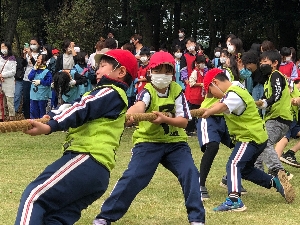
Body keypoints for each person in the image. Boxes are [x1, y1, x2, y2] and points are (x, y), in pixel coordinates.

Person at [14, 49, 138, 225]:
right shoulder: (109, 97)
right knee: (55, 218)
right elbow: (72, 106)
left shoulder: (110, 91)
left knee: (34, 196)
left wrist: (50, 126)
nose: (98, 70)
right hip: (98, 174)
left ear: (121, 72)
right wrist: (51, 116)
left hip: (87, 158)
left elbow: (82, 108)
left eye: (103, 66)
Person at [93, 51, 205, 225]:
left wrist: (165, 119)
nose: (163, 75)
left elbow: (183, 122)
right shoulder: (147, 90)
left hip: (175, 144)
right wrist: (128, 116)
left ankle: (197, 219)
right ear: (150, 72)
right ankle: (104, 217)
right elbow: (139, 106)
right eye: (159, 70)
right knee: (133, 177)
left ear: (173, 74)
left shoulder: (177, 91)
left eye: (168, 71)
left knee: (190, 172)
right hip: (148, 143)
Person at [201, 68, 295, 212]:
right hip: (258, 137)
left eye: (210, 91)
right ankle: (276, 183)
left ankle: (234, 199)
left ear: (215, 83)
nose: (211, 95)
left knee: (233, 164)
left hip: (250, 137)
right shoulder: (237, 86)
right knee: (245, 169)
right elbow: (222, 103)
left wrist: (208, 111)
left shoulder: (233, 93)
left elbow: (223, 105)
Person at [254, 50, 293, 178]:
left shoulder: (276, 75)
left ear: (275, 63)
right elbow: (265, 98)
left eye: (265, 62)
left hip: (279, 117)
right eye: (261, 62)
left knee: (265, 142)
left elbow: (276, 94)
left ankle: (279, 171)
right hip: (273, 118)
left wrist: (266, 103)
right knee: (260, 141)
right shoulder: (268, 80)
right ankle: (258, 169)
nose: (262, 64)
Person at [185, 55, 207, 136]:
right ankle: (189, 130)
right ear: (196, 63)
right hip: (194, 96)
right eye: (201, 63)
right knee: (192, 114)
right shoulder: (195, 72)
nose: (202, 64)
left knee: (198, 114)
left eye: (203, 63)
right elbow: (191, 83)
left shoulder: (202, 72)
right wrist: (201, 84)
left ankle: (196, 129)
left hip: (199, 96)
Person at [28, 54, 52, 119]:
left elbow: (49, 82)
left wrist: (41, 82)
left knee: (42, 113)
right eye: (37, 58)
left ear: (44, 61)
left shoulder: (47, 72)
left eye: (40, 58)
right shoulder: (35, 70)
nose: (38, 60)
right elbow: (30, 77)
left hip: (42, 96)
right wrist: (34, 69)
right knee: (33, 112)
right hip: (34, 96)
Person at [23, 37, 41, 119]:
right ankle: (27, 117)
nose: (32, 46)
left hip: (36, 78)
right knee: (26, 98)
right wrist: (24, 55)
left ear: (38, 45)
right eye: (31, 44)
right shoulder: (27, 53)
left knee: (34, 98)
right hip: (26, 78)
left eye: (34, 44)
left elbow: (36, 65)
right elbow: (23, 64)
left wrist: (30, 55)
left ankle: (36, 117)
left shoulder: (41, 54)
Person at [0, 41, 17, 121]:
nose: (3, 49)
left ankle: (11, 119)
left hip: (9, 82)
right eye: (1, 47)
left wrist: (2, 75)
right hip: (1, 82)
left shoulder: (12, 59)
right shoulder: (0, 58)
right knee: (1, 102)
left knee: (9, 102)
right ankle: (1, 118)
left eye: (4, 47)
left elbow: (13, 72)